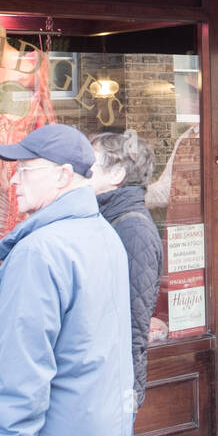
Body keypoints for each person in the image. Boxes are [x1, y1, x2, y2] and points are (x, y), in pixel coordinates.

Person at [0, 123, 134, 436]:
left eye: (25, 169)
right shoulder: (104, 234)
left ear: (63, 175)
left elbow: (21, 381)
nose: (14, 179)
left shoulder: (39, 252)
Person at [147, 114, 218, 326]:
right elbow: (167, 188)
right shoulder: (187, 136)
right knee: (182, 315)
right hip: (185, 242)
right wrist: (135, 195)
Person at [90, 130, 162, 413]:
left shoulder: (133, 229)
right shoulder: (108, 218)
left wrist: (126, 393)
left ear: (117, 174)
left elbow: (134, 321)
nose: (82, 171)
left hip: (112, 384)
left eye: (91, 164)